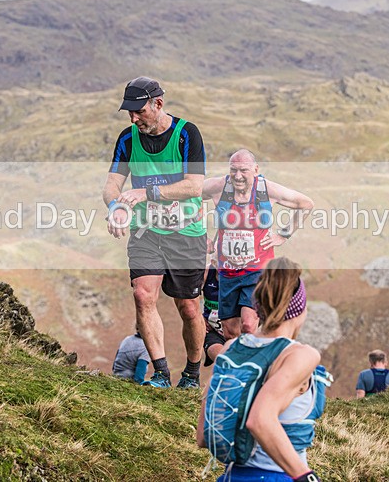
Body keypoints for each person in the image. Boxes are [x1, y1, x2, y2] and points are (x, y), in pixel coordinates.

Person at [103, 76, 206, 389]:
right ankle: (161, 373)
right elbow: (112, 186)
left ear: (158, 104)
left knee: (188, 308)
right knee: (143, 295)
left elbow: (194, 185)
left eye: (139, 111)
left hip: (186, 233)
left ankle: (191, 373)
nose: (134, 118)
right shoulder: (127, 139)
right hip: (146, 232)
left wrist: (147, 193)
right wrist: (116, 208)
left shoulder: (187, 134)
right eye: (129, 112)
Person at [197, 257, 326, 481]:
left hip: (232, 475)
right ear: (299, 309)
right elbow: (259, 419)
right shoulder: (299, 355)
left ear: (257, 305)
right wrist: (307, 477)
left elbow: (202, 435)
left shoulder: (230, 350)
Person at [203, 149, 313, 340]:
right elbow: (187, 195)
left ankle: (255, 365)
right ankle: (238, 367)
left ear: (255, 169)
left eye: (243, 170)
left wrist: (283, 235)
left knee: (248, 324)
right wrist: (200, 235)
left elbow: (306, 204)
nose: (238, 176)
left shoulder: (267, 190)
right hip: (227, 271)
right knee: (230, 330)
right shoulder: (219, 187)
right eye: (233, 170)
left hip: (257, 269)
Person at [202, 257, 226, 367]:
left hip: (238, 332)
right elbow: (190, 297)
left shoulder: (244, 274)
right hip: (214, 331)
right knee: (221, 357)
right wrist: (199, 317)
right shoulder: (207, 272)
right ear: (213, 262)